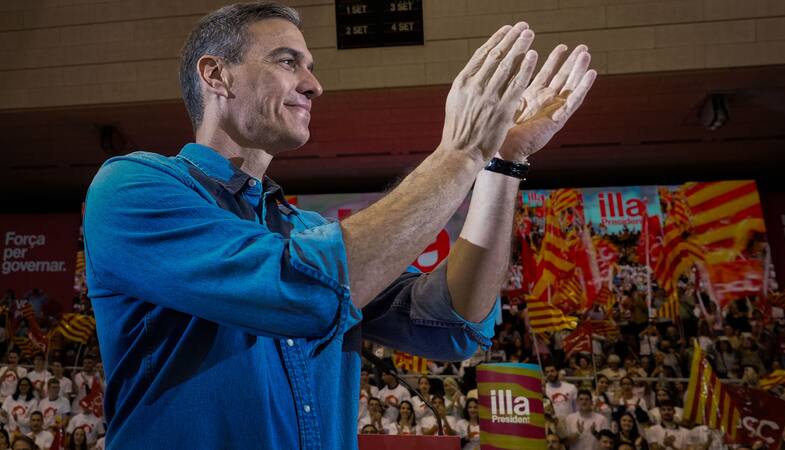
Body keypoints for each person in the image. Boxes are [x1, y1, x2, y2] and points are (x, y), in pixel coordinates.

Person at [82, 2, 595, 449]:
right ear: (216, 76)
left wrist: (501, 163)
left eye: (310, 66)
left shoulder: (303, 229)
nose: (314, 84)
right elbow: (302, 292)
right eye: (288, 62)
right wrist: (460, 153)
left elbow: (453, 325)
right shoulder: (132, 188)